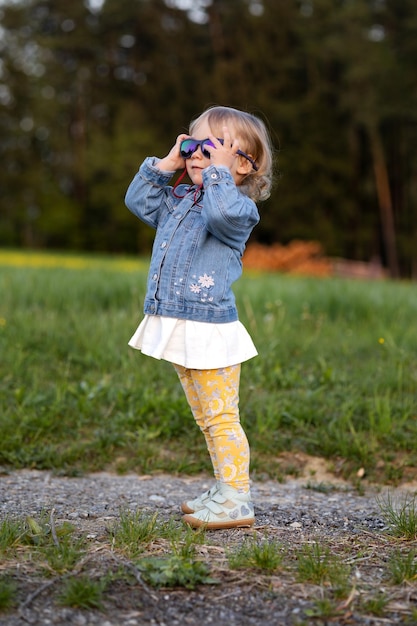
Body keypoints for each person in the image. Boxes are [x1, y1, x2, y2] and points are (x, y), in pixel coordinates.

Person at [125, 105, 274, 530]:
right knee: (205, 416)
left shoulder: (238, 210)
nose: (196, 157)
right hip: (180, 323)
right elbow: (138, 201)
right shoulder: (179, 201)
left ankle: (237, 498)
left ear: (244, 166)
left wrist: (219, 176)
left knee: (222, 417)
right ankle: (224, 486)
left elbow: (221, 213)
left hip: (209, 330)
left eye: (211, 149)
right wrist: (164, 165)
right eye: (192, 145)